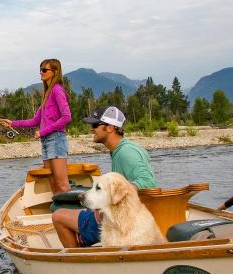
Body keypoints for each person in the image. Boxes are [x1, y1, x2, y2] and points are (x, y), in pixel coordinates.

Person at [51, 106, 157, 247]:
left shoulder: (125, 153)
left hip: (122, 222)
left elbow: (148, 182)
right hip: (128, 216)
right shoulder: (127, 148)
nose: (91, 129)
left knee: (58, 216)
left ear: (110, 128)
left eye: (95, 125)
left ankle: (77, 258)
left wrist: (114, 196)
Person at [0, 59, 72, 194]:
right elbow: (34, 121)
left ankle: (70, 208)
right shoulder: (47, 95)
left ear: (55, 72)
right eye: (40, 69)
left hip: (56, 140)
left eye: (44, 70)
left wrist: (43, 132)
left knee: (62, 185)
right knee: (53, 186)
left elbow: (67, 117)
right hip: (46, 142)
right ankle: (57, 208)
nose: (41, 72)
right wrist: (12, 123)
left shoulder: (57, 90)